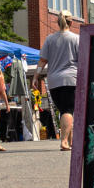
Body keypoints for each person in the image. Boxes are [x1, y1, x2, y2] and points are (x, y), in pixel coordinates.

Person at [34, 10, 79, 151]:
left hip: (53, 81)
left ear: (58, 22)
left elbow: (42, 61)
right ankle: (64, 141)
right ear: (71, 22)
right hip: (70, 79)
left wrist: (36, 77)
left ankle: (71, 141)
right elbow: (83, 59)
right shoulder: (76, 38)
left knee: (65, 110)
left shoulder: (49, 39)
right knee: (68, 110)